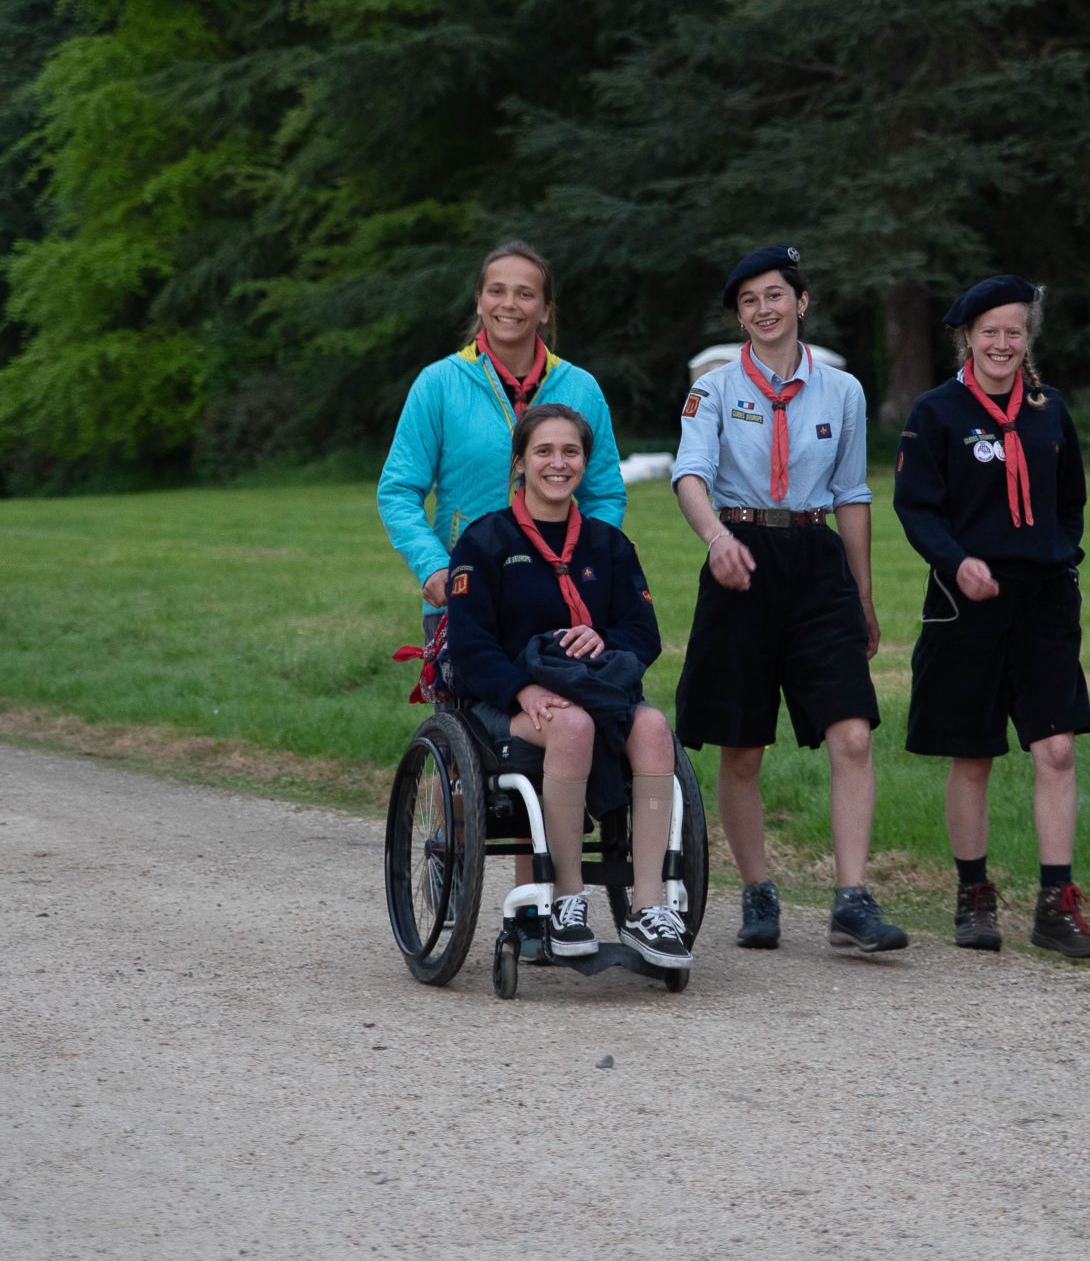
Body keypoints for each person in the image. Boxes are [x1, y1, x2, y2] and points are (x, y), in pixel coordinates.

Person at [670, 245, 907, 954]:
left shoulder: (844, 392)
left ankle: (851, 898)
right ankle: (758, 891)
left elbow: (853, 496)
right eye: (749, 302)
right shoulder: (713, 391)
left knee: (853, 731)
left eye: (775, 295)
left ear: (802, 302)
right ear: (740, 316)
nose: (764, 310)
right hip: (739, 555)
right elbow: (689, 475)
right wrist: (715, 539)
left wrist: (862, 595)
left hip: (814, 560)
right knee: (743, 747)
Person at [892, 274, 1090, 958]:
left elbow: (1071, 497)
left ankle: (1056, 904)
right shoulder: (936, 413)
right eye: (989, 331)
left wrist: (1061, 558)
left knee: (1057, 747)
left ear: (1027, 338)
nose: (1002, 342)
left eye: (1014, 331)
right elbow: (916, 506)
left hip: (1044, 601)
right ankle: (974, 894)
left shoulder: (1050, 409)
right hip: (967, 601)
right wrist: (958, 562)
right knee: (974, 754)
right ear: (967, 337)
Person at [443, 404, 691, 968]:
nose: (559, 463)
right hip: (507, 699)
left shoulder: (608, 545)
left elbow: (642, 632)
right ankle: (566, 899)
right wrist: (521, 691)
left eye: (571, 452)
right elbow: (470, 645)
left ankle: (649, 908)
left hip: (594, 686)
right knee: (571, 725)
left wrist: (603, 641)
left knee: (653, 729)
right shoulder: (484, 542)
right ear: (521, 463)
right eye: (545, 452)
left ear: (586, 461)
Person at [378, 239, 626, 644]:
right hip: (464, 595)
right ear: (479, 301)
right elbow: (398, 491)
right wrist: (435, 567)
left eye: (525, 294)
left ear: (545, 310)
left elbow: (606, 495)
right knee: (477, 708)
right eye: (497, 291)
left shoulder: (581, 388)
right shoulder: (438, 384)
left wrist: (586, 566)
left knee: (562, 708)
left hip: (561, 599)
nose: (508, 304)